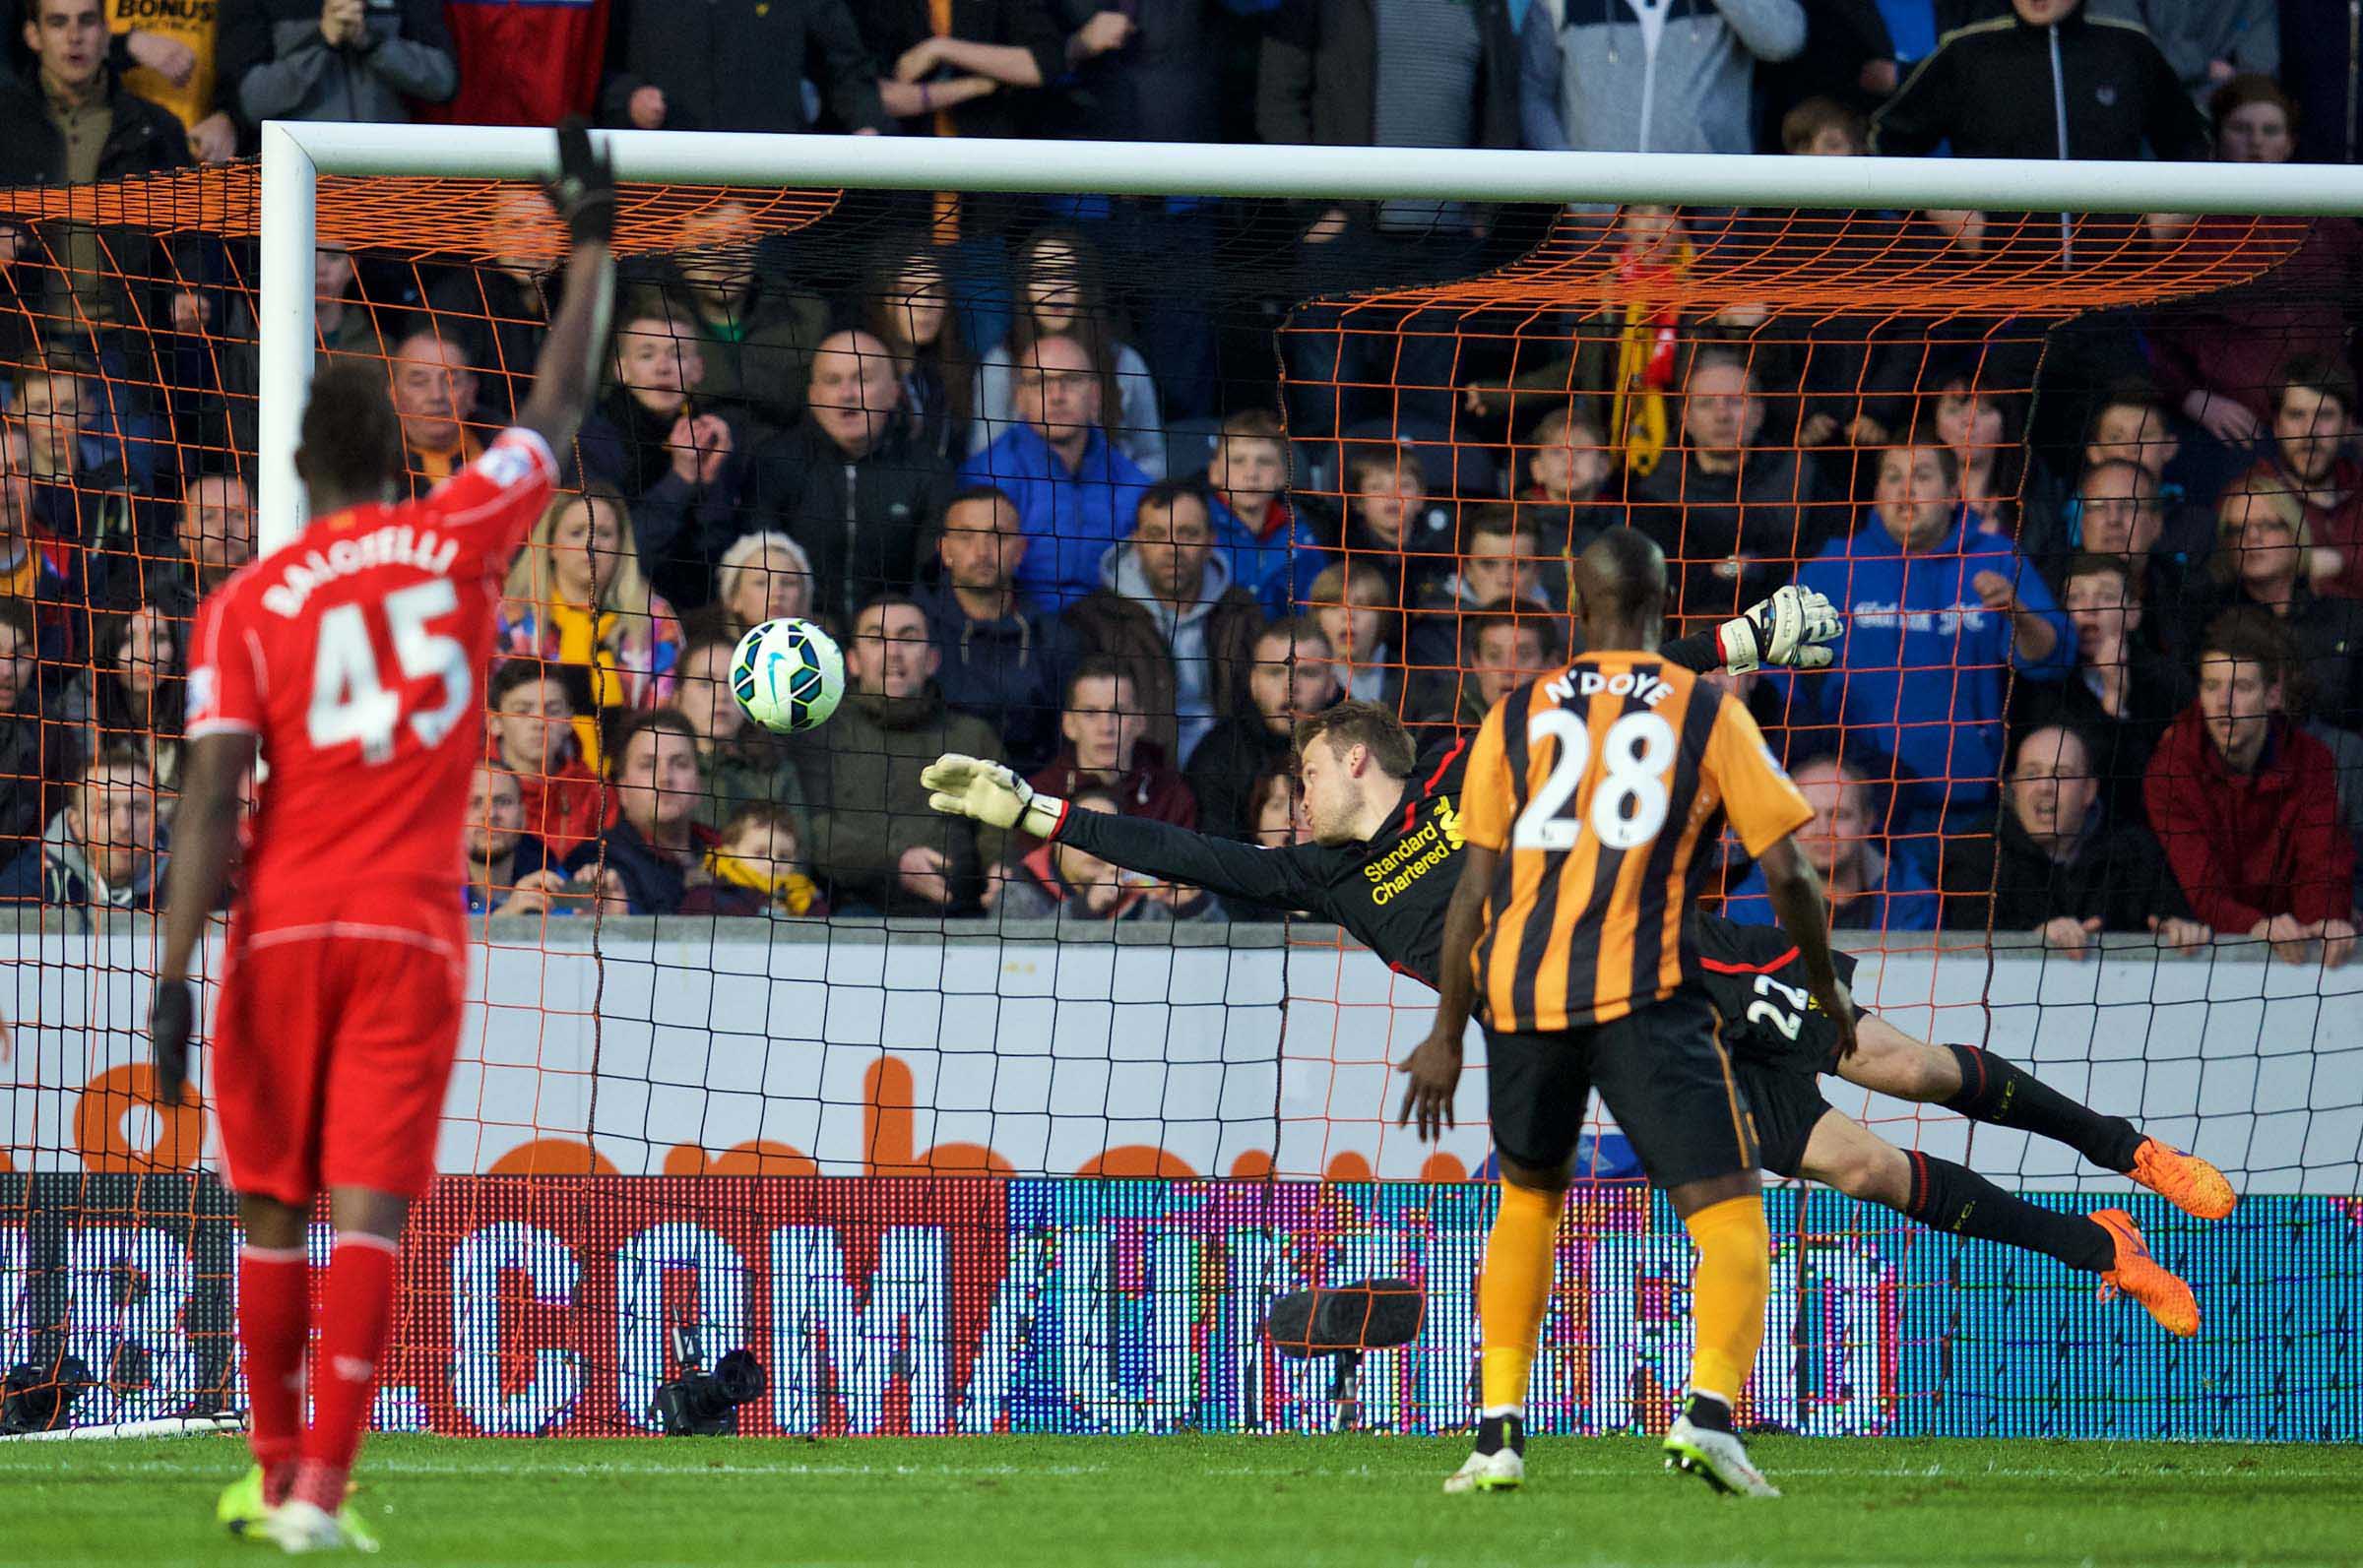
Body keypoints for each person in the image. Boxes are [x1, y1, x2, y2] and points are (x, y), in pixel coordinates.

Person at [928, 685, 2221, 1346]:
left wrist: (1746, 643)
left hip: (1687, 959)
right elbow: (1188, 852)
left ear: (1361, 760)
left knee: (1901, 1064)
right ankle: (2101, 1248)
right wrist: (1033, 811)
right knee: (1863, 1166)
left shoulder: (1455, 772)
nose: (1294, 791)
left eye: (1307, 769)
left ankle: (2125, 1149)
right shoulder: (1322, 875)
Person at [150, 121, 614, 1552]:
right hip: (413, 926)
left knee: (273, 1212)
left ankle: (275, 1467)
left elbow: (211, 803)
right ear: (399, 450)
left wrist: (170, 972)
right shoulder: (464, 526)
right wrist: (592, 243)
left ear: (299, 459)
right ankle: (319, 1503)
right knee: (365, 1216)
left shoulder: (247, 604)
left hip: (282, 927)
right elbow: (559, 400)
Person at [1410, 531, 1848, 1498]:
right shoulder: (1704, 708)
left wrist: (1446, 1032)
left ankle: (1495, 1437)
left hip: (1522, 999)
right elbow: (1793, 875)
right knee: (1732, 1219)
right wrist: (1825, 987)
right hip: (1644, 995)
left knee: (1529, 1199)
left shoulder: (1516, 710)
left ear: (1575, 602)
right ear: (1662, 600)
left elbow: (1473, 888)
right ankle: (1707, 1419)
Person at [1781, 434, 2073, 837]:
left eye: (1921, 476)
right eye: (1892, 476)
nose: (1905, 489)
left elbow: (2053, 662)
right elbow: (1769, 664)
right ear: (1877, 492)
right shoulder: (1834, 565)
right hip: (1863, 812)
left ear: (1954, 493)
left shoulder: (1996, 557)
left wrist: (2016, 613)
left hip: (1969, 806)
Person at [2144, 606, 2358, 967]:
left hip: (2297, 950)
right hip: (2208, 954)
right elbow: (2202, 887)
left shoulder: (2312, 762)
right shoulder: (2171, 769)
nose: (2223, 703)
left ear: (2273, 695)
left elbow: (2321, 863)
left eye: (2241, 687)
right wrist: (2257, 925)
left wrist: (2325, 921)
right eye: (2212, 686)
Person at [796, 593, 1005, 914]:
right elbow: (813, 831)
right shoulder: (819, 732)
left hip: (958, 920)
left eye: (908, 639)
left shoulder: (972, 737)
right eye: (877, 640)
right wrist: (896, 862)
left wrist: (1001, 869)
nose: (893, 653)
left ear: (932, 659)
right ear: (852, 661)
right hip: (847, 916)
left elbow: (1001, 823)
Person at [1941, 723, 2208, 953]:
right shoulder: (1975, 853)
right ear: (2014, 788)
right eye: (2032, 774)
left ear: (2089, 791)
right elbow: (1969, 946)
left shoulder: (2135, 852)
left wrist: (2181, 932)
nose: (2046, 787)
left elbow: (2168, 917)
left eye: (2062, 774)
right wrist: (2032, 943)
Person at [747, 327, 955, 621]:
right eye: (833, 381)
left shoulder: (930, 472)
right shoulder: (773, 464)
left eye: (863, 379)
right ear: (813, 395)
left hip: (893, 639)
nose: (847, 394)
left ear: (894, 393)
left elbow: (933, 579)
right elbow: (760, 569)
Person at [1063, 478, 1262, 767]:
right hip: (1139, 776)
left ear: (1211, 542)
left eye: (1187, 533)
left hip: (1228, 775)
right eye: (1156, 535)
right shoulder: (1093, 619)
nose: (1171, 548)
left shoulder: (1242, 613)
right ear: (1137, 543)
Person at [575, 294, 749, 611]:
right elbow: (619, 559)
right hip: (610, 608)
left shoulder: (717, 437)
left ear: (698, 369)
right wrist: (681, 479)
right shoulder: (592, 441)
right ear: (621, 369)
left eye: (677, 355)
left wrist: (709, 484)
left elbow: (716, 564)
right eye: (647, 355)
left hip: (695, 613)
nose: (663, 367)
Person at [1869, 0, 2207, 162]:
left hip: (2116, 284)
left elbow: (2191, 139)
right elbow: (1888, 139)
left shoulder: (2130, 49)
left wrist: (2166, 220)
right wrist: (1945, 215)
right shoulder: (1967, 52)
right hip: (1997, 285)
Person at [957, 333, 1153, 608]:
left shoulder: (1135, 483)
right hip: (1022, 630)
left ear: (1095, 395)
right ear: (1020, 398)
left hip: (1109, 629)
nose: (1057, 396)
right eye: (1040, 382)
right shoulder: (986, 476)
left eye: (1071, 380)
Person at [1627, 347, 1821, 621]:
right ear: (1686, 416)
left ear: (1758, 411)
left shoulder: (1800, 476)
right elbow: (1675, 587)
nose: (1722, 415)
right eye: (1707, 404)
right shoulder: (1655, 495)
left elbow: (1818, 566)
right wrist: (1752, 566)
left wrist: (1723, 569)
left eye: (1734, 401)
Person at [496, 482, 683, 762]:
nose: (592, 543)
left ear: (621, 547)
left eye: (605, 534)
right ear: (551, 546)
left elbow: (665, 719)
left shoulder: (655, 621)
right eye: (577, 532)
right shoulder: (511, 618)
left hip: (626, 782)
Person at [2013, 551, 2193, 828]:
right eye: (2075, 598)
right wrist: (2112, 700)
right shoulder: (2043, 683)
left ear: (2133, 615)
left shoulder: (2166, 682)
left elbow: (2151, 781)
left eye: (2106, 597)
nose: (2089, 609)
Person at [971, 226, 1165, 479]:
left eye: (1066, 275)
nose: (1055, 289)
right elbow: (985, 463)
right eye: (1043, 276)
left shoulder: (1124, 362)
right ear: (1025, 289)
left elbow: (1154, 457)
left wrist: (1118, 489)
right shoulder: (1000, 365)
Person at [915, 485, 1078, 776]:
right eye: (966, 537)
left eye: (997, 536)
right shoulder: (914, 631)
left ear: (1020, 550)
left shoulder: (1054, 640)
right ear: (945, 550)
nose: (982, 551)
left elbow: (1066, 743)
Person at [2180, 474, 2363, 732]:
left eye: (2266, 525)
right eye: (2238, 529)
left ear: (2294, 532)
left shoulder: (2349, 619)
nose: (2252, 537)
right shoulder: (2208, 623)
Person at [1519, 0, 1802, 156]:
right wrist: (1572, 182)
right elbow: (1534, 92)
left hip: (1708, 222)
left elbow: (1783, 39)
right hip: (1597, 225)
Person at [1719, 756, 1943, 932]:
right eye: (1807, 818)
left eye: (1840, 815)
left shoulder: (1914, 904)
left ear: (1867, 823)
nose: (1824, 830)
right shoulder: (1745, 911)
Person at [600, 0, 887, 135]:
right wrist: (628, 98)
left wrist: (867, 126)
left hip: (773, 196)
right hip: (663, 205)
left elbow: (848, 67)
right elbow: (590, 70)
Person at [1184, 618, 1337, 845]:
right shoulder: (1217, 756)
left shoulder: (1361, 747)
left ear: (1331, 685)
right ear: (1253, 682)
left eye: (1307, 673)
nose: (1291, 686)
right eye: (1275, 672)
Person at [1025, 655, 1196, 839]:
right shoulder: (1038, 797)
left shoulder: (1171, 798)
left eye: (1118, 712)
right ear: (1069, 724)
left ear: (1140, 721)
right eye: (1090, 713)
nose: (1106, 728)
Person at [566, 709, 717, 916]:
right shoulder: (592, 860)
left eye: (680, 764)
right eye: (648, 765)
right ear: (622, 789)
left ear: (699, 784)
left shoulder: (730, 851)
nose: (665, 778)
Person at [668, 634, 810, 843]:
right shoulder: (660, 768)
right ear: (678, 696)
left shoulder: (778, 773)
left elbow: (798, 856)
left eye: (734, 684)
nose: (722, 695)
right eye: (705, 683)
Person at [224, 0, 456, 125]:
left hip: (389, 188)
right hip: (297, 187)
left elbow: (443, 81)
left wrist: (370, 41)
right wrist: (323, 40)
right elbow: (252, 103)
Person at [0, 743, 162, 909]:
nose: (124, 826)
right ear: (76, 824)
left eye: (138, 809)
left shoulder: (182, 883)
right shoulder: (24, 890)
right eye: (105, 810)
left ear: (156, 819)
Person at [1204, 408, 1326, 615]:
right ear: (1214, 473)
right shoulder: (1201, 530)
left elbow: (1314, 612)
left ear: (1282, 475)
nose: (1251, 474)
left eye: (1264, 462)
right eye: (1237, 461)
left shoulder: (1301, 536)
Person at [483, 659, 606, 857]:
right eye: (522, 711)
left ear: (568, 721)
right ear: (495, 722)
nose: (540, 722)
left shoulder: (595, 792)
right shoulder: (470, 790)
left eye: (553, 711)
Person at [461, 763, 570, 919]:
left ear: (523, 817)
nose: (490, 814)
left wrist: (608, 915)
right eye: (475, 803)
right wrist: (504, 918)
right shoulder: (427, 887)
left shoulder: (551, 885)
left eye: (503, 802)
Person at [680, 802, 827, 917]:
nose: (773, 864)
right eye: (760, 853)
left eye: (784, 856)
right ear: (729, 851)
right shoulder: (707, 895)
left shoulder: (808, 898)